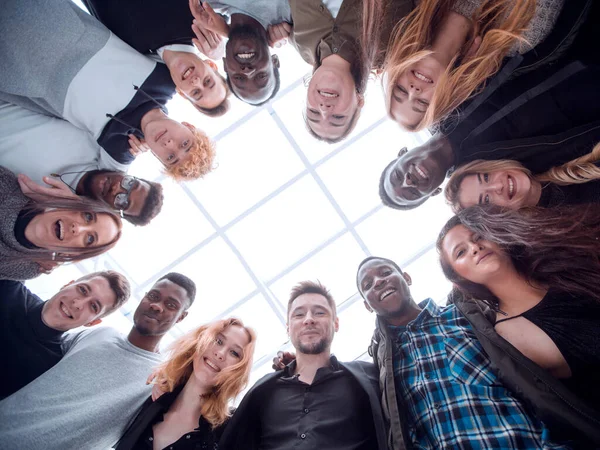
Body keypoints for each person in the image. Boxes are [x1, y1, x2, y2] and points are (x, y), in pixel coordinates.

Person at [357, 256, 600, 448]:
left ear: (406, 277)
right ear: (367, 305)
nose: (378, 281)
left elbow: (526, 376)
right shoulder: (380, 372)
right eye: (367, 285)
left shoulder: (466, 315)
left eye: (385, 272)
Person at [379, 0, 599, 210]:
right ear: (435, 192)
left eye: (398, 176)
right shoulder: (482, 178)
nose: (408, 181)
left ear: (401, 154)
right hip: (588, 103)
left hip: (562, 38)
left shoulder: (435, 104)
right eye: (412, 193)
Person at [0, 0, 215, 181]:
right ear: (188, 126)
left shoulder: (120, 148)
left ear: (157, 157)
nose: (170, 145)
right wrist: (217, 48)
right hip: (54, 20)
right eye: (184, 143)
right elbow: (168, 38)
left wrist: (130, 157)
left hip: (23, 72)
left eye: (170, 157)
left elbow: (110, 184)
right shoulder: (165, 81)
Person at [436, 207, 600, 435]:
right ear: (458, 279)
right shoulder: (508, 336)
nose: (475, 248)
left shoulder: (559, 259)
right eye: (460, 252)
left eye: (478, 236)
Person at [0, 272, 196, 450]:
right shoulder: (99, 333)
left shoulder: (160, 378)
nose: (156, 305)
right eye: (153, 296)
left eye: (171, 305)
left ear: (181, 317)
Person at [219, 281, 387, 450]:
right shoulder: (264, 391)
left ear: (336, 323)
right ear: (288, 328)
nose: (309, 320)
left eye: (320, 312)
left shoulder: (370, 377)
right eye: (299, 315)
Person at [383, 0, 562, 131]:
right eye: (422, 102)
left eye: (401, 90)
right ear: (447, 95)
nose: (413, 90)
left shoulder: (418, 5)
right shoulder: (518, 37)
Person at [115, 317, 256, 449]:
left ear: (238, 371)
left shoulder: (226, 431)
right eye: (218, 341)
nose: (220, 353)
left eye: (234, 353)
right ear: (199, 341)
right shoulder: (153, 392)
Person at [82, 0, 231, 117]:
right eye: (208, 81)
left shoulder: (132, 56)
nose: (196, 82)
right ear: (211, 64)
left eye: (196, 93)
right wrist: (225, 38)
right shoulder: (197, 19)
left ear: (181, 93)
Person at [0, 271, 131, 399]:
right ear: (68, 284)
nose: (78, 304)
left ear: (93, 322)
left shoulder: (50, 370)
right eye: (83, 290)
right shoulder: (7, 287)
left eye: (93, 306)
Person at [0, 166, 122, 280]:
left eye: (90, 239)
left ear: (74, 252)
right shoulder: (6, 184)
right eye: (88, 216)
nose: (78, 228)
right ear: (73, 204)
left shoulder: (27, 269)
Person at [188, 0, 291, 106]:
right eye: (261, 76)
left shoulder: (205, 7)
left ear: (225, 65)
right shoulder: (289, 13)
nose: (247, 71)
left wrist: (230, 32)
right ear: (274, 61)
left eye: (238, 78)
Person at [444, 142, 600, 210]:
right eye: (486, 200)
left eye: (486, 177)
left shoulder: (561, 156)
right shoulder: (564, 227)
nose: (498, 186)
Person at [18, 170, 164, 227]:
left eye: (123, 202)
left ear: (113, 213)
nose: (117, 188)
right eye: (130, 183)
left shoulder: (56, 218)